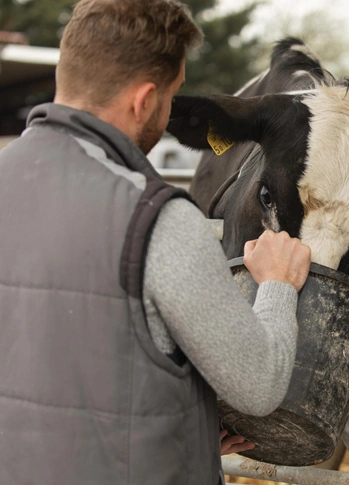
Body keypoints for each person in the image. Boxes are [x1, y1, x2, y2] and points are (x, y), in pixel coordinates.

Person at [0, 1, 311, 484]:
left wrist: (184, 432)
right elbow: (259, 385)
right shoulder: (156, 220)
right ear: (145, 100)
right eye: (172, 95)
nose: (170, 111)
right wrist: (278, 284)